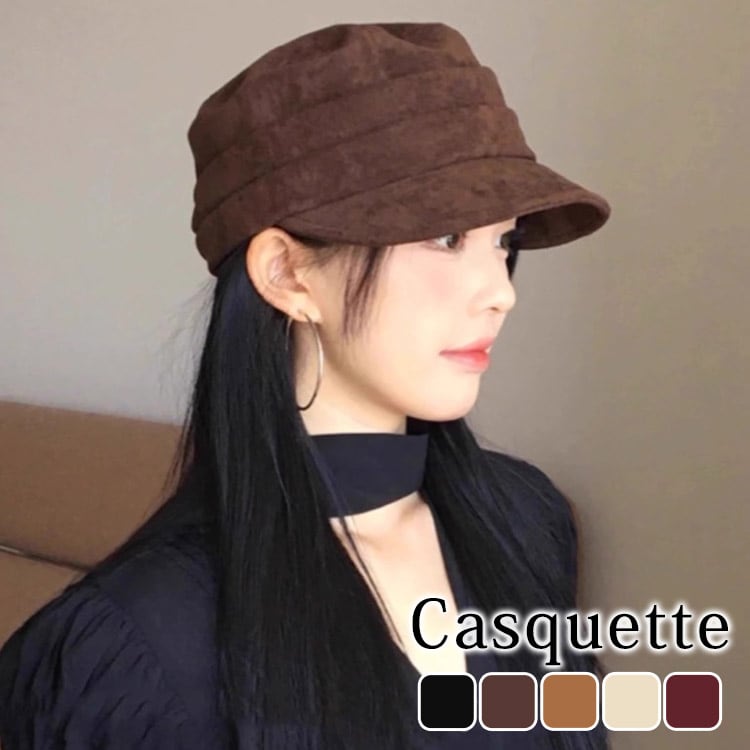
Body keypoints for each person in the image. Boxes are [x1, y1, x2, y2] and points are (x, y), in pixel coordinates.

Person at [0, 21, 612, 750]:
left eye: (503, 241)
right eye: (447, 238)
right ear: (288, 275)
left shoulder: (525, 517)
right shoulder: (139, 648)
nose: (500, 292)